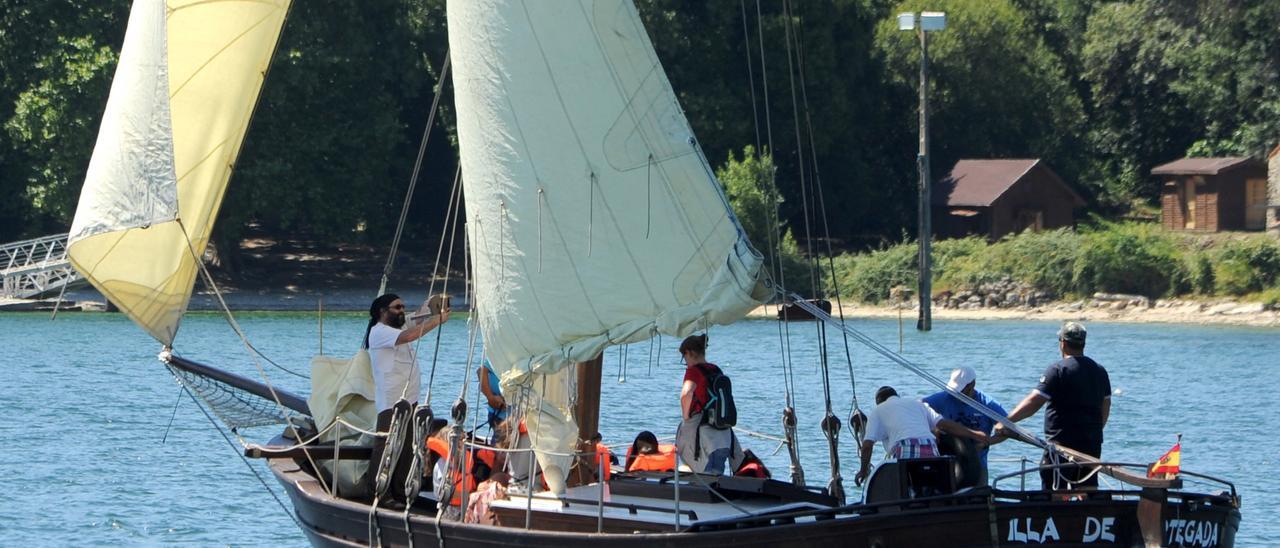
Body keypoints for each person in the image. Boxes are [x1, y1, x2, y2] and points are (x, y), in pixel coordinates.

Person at [997, 321, 1111, 490]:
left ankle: (1056, 516)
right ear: (1083, 344)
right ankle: (1088, 515)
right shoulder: (1100, 371)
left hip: (1062, 446)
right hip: (1091, 444)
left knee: (1055, 491)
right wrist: (1094, 430)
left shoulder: (1057, 370)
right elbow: (1105, 406)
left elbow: (1033, 402)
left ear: (1062, 343)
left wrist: (1006, 420)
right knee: (1088, 490)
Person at [364, 293, 450, 504]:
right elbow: (410, 336)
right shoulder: (379, 332)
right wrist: (436, 321)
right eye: (397, 307)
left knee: (408, 447)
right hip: (391, 401)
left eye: (402, 306)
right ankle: (379, 492)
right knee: (387, 446)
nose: (402, 310)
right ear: (382, 312)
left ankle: (400, 492)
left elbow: (415, 317)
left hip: (410, 399)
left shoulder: (397, 327)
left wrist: (430, 306)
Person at [854, 386, 990, 487]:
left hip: (904, 448)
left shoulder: (879, 410)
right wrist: (974, 434)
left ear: (879, 402)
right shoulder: (918, 404)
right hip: (929, 446)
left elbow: (867, 446)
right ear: (897, 396)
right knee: (930, 485)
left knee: (905, 487)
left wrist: (863, 470)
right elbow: (944, 424)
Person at [675, 334, 743, 475]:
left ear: (689, 353)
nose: (685, 362)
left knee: (702, 478)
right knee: (717, 477)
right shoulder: (716, 369)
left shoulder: (693, 372)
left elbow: (686, 393)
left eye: (684, 357)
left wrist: (686, 417)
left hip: (703, 437)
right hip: (723, 436)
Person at [923, 367, 1008, 471]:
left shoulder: (988, 404)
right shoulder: (943, 398)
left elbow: (1008, 430)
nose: (957, 394)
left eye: (961, 389)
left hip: (977, 464)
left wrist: (987, 442)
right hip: (946, 462)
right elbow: (918, 408)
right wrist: (932, 430)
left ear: (972, 384)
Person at [477, 360, 508, 430]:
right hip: (499, 413)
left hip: (521, 415)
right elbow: (481, 371)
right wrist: (491, 397)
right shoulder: (500, 355)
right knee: (500, 438)